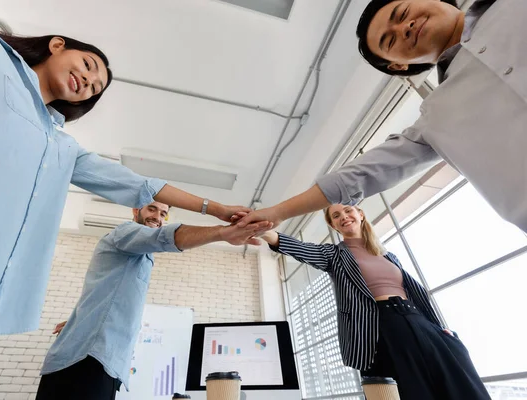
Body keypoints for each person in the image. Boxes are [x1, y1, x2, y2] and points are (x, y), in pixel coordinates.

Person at [0, 18, 248, 393]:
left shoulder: (60, 145)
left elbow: (140, 185)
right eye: (89, 67)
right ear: (58, 45)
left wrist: (216, 207)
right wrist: (222, 229)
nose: (88, 83)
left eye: (95, 89)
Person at [236, 0, 527, 235]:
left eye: (402, 13)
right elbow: (358, 176)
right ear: (399, 66)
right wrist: (273, 213)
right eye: (390, 40)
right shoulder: (435, 117)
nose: (404, 27)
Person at [34, 201, 270, 400]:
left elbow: (104, 294)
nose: (158, 217)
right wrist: (222, 232)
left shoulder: (141, 255)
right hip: (86, 361)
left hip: (104, 364)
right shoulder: (124, 232)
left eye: (163, 214)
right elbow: (166, 237)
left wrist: (81, 320)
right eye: (151, 209)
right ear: (135, 212)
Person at [260, 204, 489, 399]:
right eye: (336, 216)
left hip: (421, 323)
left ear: (360, 214)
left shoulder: (389, 255)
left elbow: (417, 296)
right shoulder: (334, 255)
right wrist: (263, 230)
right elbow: (297, 248)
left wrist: (439, 328)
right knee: (410, 391)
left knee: (462, 386)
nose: (343, 217)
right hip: (381, 328)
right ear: (334, 226)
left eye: (347, 211)